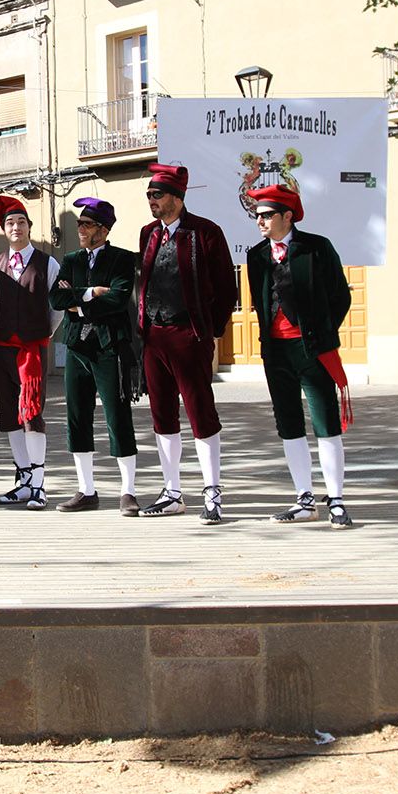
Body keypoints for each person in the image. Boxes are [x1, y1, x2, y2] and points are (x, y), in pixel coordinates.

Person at [243, 185, 355, 528]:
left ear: (287, 216)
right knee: (288, 423)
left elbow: (340, 297)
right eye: (257, 215)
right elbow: (262, 303)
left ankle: (335, 499)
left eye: (266, 215)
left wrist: (319, 334)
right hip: (275, 351)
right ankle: (304, 499)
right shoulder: (257, 255)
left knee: (325, 422)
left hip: (312, 348)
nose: (260, 220)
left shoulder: (316, 248)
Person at [136, 164, 236, 524]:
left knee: (200, 413)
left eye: (157, 195)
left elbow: (227, 289)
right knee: (161, 414)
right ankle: (172, 491)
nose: (151, 200)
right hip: (155, 336)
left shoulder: (206, 233)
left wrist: (210, 331)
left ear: (177, 198)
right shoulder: (148, 233)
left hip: (188, 334)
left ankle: (212, 491)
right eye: (149, 195)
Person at [48, 198, 140, 513]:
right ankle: (86, 490)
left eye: (86, 224)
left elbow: (117, 299)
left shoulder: (122, 259)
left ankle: (128, 491)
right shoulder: (71, 259)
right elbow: (56, 297)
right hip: (77, 346)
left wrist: (78, 302)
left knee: (117, 415)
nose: (80, 229)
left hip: (108, 346)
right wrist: (89, 293)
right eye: (80, 224)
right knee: (76, 417)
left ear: (102, 229)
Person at [0, 195, 62, 507]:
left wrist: (40, 335)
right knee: (10, 417)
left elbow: (56, 309)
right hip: (3, 350)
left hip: (32, 351)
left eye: (20, 222)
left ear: (29, 227)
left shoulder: (48, 263)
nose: (15, 227)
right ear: (4, 230)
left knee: (32, 414)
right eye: (10, 223)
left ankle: (39, 484)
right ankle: (23, 478)